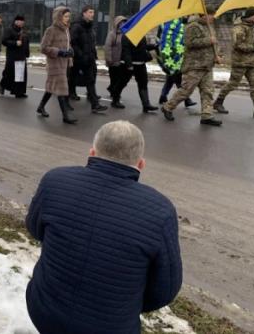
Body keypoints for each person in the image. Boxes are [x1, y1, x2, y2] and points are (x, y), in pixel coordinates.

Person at [26, 120, 182, 334]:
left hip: (43, 310)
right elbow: (165, 290)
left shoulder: (54, 180)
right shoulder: (160, 211)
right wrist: (126, 303)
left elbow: (35, 229)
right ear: (140, 164)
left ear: (92, 153)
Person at [162, 7, 222, 126]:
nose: (213, 17)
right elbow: (190, 43)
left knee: (208, 91)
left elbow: (215, 44)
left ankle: (207, 115)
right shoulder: (192, 26)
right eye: (211, 15)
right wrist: (208, 40)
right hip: (195, 65)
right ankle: (168, 107)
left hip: (207, 65)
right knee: (186, 91)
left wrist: (218, 55)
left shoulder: (210, 27)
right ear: (203, 15)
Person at [214, 6, 254, 118]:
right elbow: (237, 45)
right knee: (232, 84)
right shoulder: (239, 28)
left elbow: (253, 45)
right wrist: (252, 48)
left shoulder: (253, 28)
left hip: (252, 62)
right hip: (240, 62)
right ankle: (218, 102)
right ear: (250, 16)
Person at [37, 6, 77, 124]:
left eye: (69, 16)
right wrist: (59, 52)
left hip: (64, 63)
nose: (68, 19)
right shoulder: (51, 30)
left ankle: (40, 107)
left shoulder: (66, 29)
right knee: (61, 89)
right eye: (65, 16)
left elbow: (67, 45)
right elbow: (43, 48)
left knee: (51, 88)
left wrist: (70, 51)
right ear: (58, 16)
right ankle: (65, 116)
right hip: (54, 64)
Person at [69, 5, 108, 113]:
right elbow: (73, 43)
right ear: (84, 13)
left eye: (93, 13)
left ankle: (95, 104)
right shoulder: (76, 26)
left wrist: (93, 54)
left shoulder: (90, 26)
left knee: (90, 80)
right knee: (72, 77)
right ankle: (68, 97)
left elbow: (90, 43)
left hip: (89, 58)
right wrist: (80, 55)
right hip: (78, 59)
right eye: (90, 12)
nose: (92, 15)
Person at [113, 29, 159, 113]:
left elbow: (143, 47)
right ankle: (115, 100)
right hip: (128, 65)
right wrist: (129, 64)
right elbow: (126, 50)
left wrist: (154, 46)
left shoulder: (141, 34)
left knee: (143, 83)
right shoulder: (127, 35)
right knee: (122, 82)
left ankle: (146, 105)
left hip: (140, 64)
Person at [156, 18, 197, 108]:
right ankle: (186, 99)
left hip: (177, 55)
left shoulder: (179, 23)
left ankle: (163, 96)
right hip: (169, 55)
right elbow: (160, 40)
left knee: (171, 77)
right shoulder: (167, 24)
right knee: (177, 77)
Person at [0, 15, 30, 98]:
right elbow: (4, 41)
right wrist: (15, 43)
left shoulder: (23, 31)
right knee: (9, 74)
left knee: (20, 74)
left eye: (23, 21)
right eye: (20, 20)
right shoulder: (9, 29)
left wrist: (27, 53)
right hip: (12, 56)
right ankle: (2, 85)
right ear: (16, 21)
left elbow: (26, 42)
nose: (22, 22)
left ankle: (19, 92)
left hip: (21, 56)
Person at [104, 15, 127, 104]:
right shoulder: (112, 34)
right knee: (114, 78)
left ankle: (112, 89)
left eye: (124, 22)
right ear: (117, 24)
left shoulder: (126, 33)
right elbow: (107, 47)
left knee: (120, 78)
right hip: (113, 60)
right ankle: (114, 92)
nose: (123, 24)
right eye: (121, 23)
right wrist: (109, 59)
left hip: (122, 61)